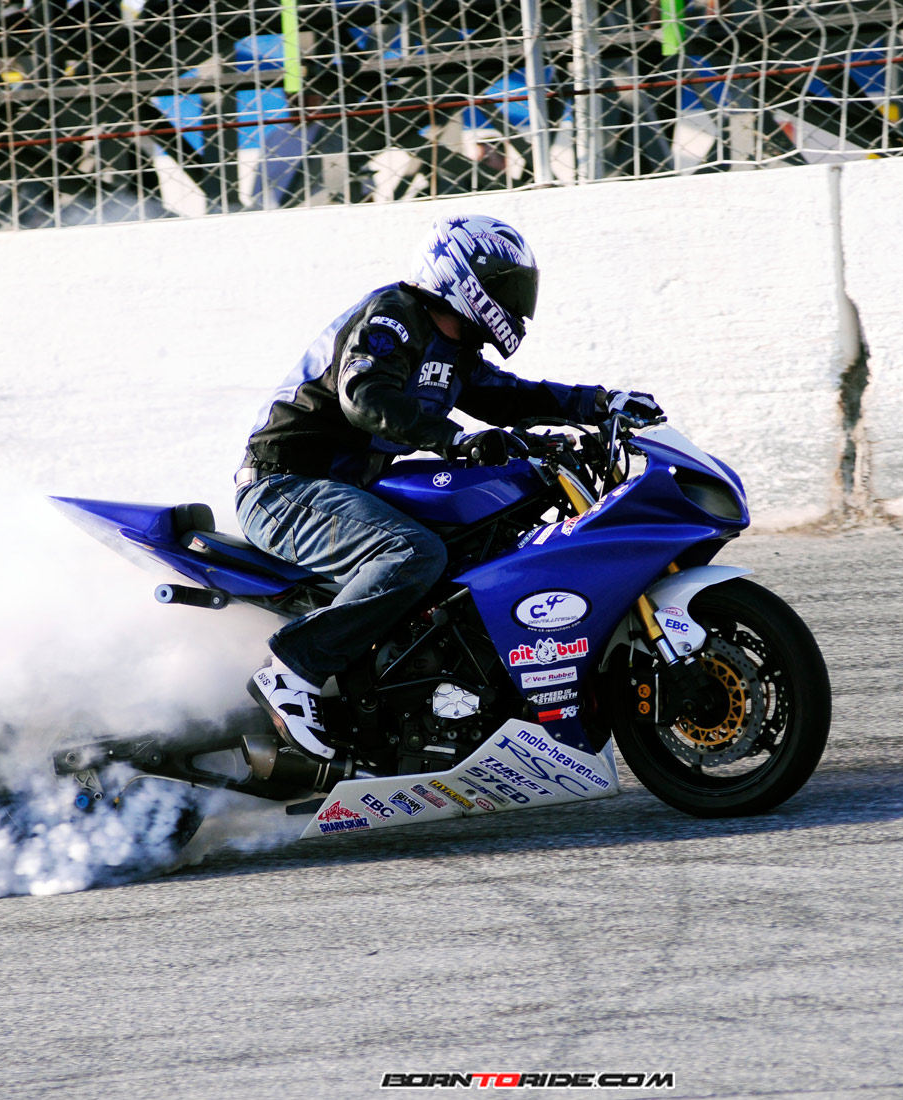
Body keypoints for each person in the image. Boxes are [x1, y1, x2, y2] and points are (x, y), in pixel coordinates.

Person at [237, 213, 662, 761]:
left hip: (340, 492)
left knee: (475, 539)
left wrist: (601, 403)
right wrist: (453, 439)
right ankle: (293, 668)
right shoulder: (395, 316)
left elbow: (511, 396)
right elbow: (364, 395)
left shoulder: (454, 350)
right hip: (284, 487)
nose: (517, 301)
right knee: (413, 552)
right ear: (461, 275)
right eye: (506, 287)